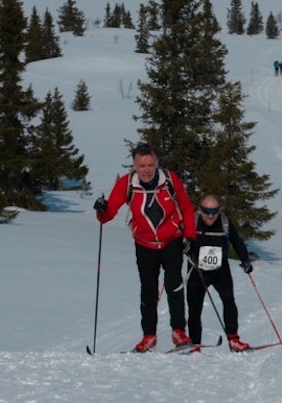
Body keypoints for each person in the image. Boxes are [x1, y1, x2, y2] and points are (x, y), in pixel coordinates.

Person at [94, 143, 197, 353]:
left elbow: (186, 208)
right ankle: (149, 336)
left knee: (174, 284)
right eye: (141, 165)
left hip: (172, 241)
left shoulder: (169, 179)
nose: (147, 169)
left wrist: (190, 236)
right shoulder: (127, 184)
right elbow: (108, 215)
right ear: (134, 165)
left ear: (157, 163)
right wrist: (101, 210)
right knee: (148, 290)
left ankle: (179, 331)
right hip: (145, 245)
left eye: (150, 164)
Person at [186, 195, 254, 352]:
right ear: (200, 210)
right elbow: (177, 239)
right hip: (197, 269)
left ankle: (234, 340)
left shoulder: (224, 222)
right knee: (194, 308)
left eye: (214, 211)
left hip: (220, 269)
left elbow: (237, 242)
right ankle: (195, 345)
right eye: (207, 211)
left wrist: (245, 260)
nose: (210, 215)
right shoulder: (192, 221)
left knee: (229, 301)